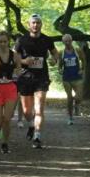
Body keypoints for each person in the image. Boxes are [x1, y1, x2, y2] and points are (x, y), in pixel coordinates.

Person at [15, 13, 60, 149]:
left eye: (38, 23)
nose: (35, 25)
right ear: (29, 25)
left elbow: (55, 53)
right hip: (25, 77)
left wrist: (54, 59)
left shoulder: (47, 39)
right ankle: (31, 124)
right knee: (27, 111)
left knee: (39, 109)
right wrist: (24, 61)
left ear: (41, 24)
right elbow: (14, 57)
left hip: (41, 77)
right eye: (33, 23)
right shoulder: (21, 40)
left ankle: (37, 136)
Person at [0, 31, 20, 153]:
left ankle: (5, 143)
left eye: (5, 41)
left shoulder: (15, 55)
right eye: (0, 41)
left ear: (8, 42)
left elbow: (18, 69)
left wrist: (17, 73)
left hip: (10, 88)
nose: (2, 44)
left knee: (7, 119)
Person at [59, 34, 87, 124]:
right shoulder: (61, 52)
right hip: (66, 78)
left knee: (79, 97)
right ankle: (70, 118)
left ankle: (77, 104)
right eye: (65, 41)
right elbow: (59, 65)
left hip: (77, 77)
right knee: (69, 98)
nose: (67, 43)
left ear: (72, 41)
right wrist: (60, 70)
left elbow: (83, 60)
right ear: (63, 42)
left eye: (69, 41)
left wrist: (82, 69)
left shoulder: (77, 50)